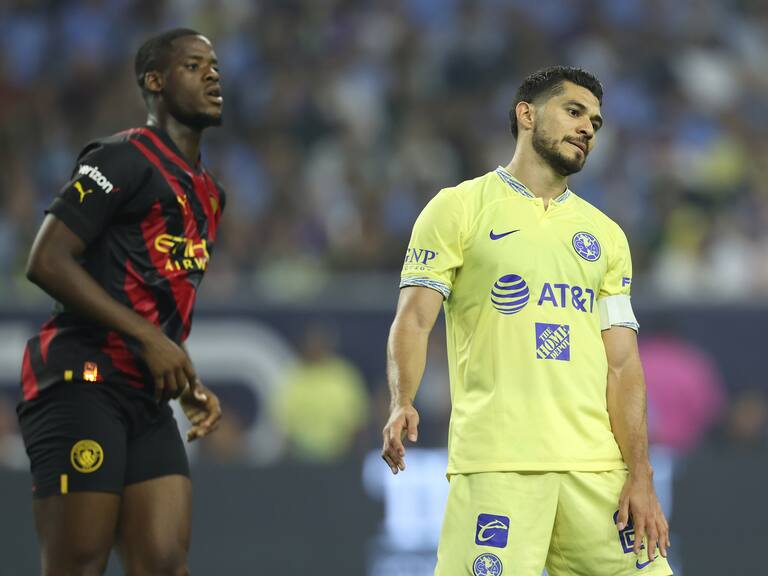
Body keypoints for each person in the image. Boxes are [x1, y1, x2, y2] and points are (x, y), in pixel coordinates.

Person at [381, 66, 672, 576]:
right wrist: (402, 399)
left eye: (595, 123)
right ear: (526, 114)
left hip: (596, 469)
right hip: (498, 463)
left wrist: (640, 473)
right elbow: (415, 319)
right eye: (574, 111)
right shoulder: (458, 208)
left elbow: (623, 365)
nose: (586, 129)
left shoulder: (606, 236)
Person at [17, 28, 225, 575]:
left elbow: (153, 295)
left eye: (214, 66)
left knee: (164, 562)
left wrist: (182, 374)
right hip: (79, 378)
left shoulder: (210, 193)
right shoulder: (121, 158)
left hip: (146, 396)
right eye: (193, 65)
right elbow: (46, 260)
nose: (211, 74)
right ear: (154, 81)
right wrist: (149, 339)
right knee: (79, 562)